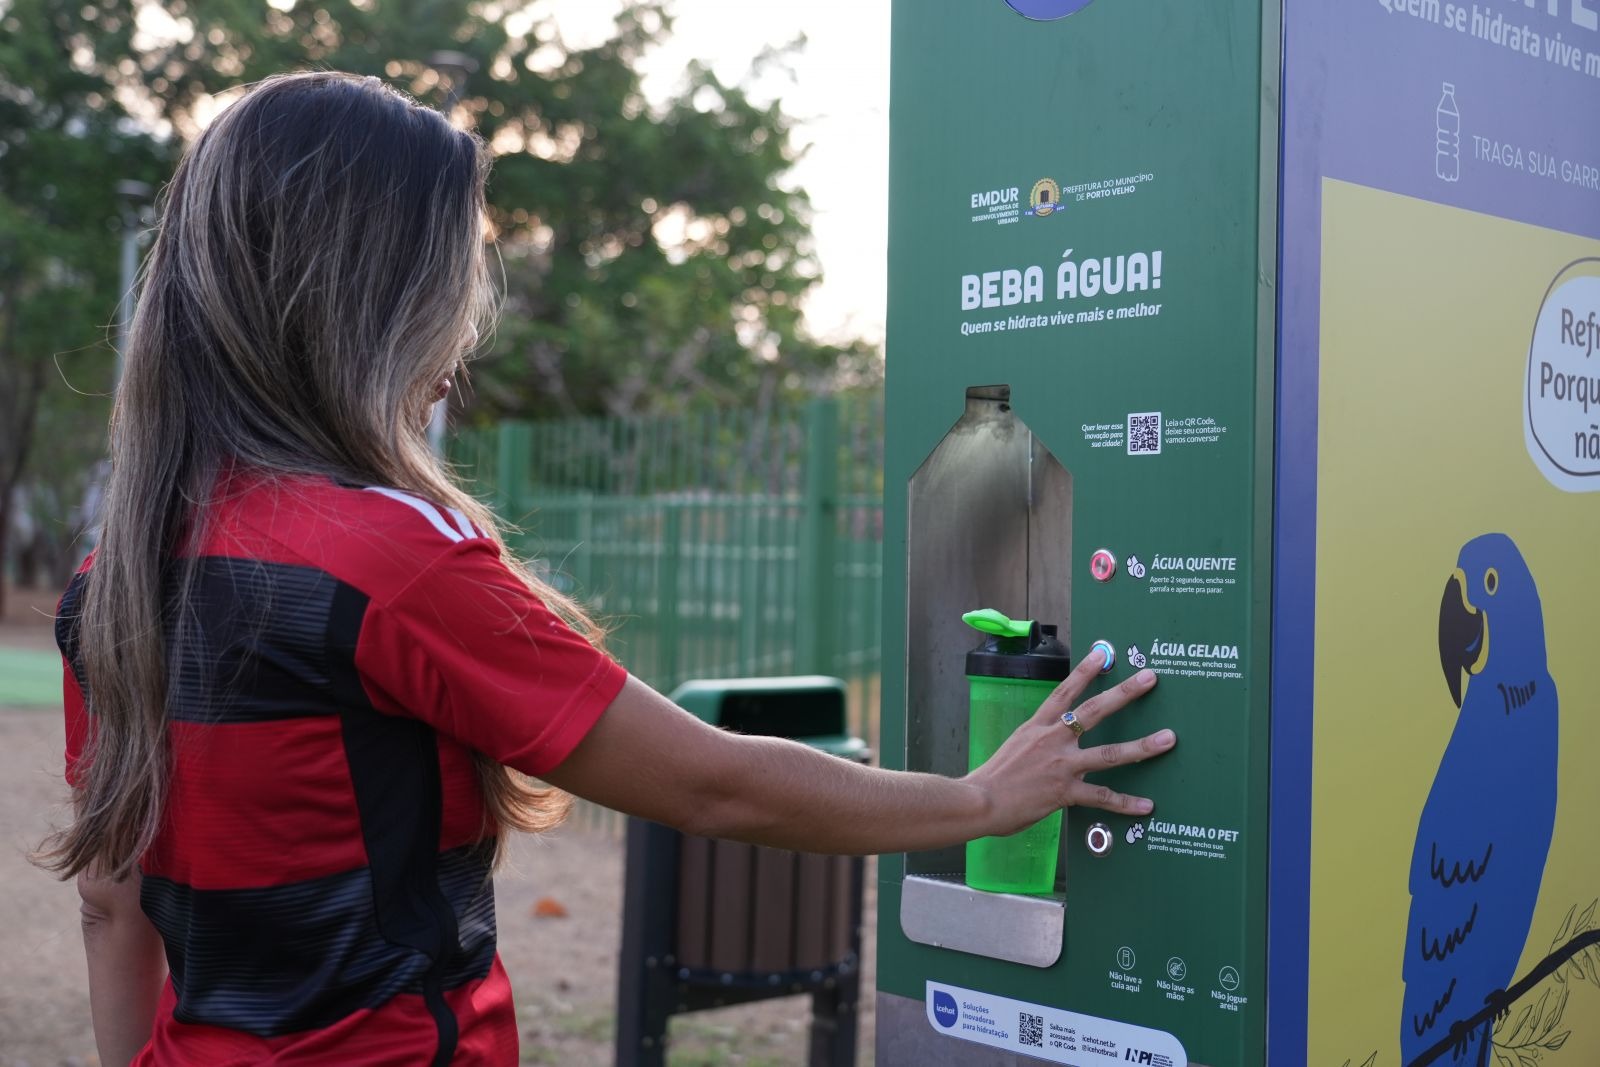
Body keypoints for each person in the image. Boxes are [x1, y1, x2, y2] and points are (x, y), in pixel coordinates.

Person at [35, 71, 1176, 1066]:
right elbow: (709, 781)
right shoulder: (383, 559)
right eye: (451, 288)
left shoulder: (115, 574)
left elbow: (110, 904)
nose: (458, 348)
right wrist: (982, 797)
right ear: (368, 305)